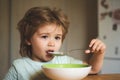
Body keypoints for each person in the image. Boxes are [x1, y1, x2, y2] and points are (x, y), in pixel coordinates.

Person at [4, 6, 106, 80]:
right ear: (28, 39)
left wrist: (99, 53)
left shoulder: (64, 61)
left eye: (57, 38)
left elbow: (92, 69)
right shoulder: (19, 67)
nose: (52, 43)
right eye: (44, 37)